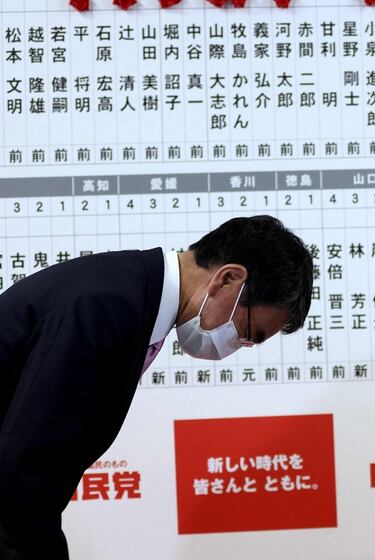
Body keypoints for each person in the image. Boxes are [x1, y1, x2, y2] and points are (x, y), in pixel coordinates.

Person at [0, 215, 314, 559]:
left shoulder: (129, 291)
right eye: (249, 333)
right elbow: (22, 477)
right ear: (227, 279)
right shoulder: (108, 306)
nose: (239, 344)